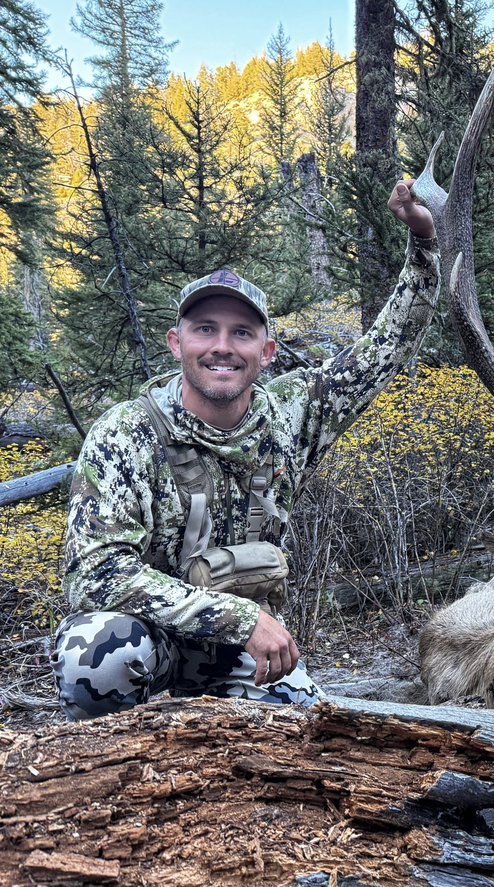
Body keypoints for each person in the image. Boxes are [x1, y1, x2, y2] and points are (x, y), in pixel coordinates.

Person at [51, 183, 439, 720]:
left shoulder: (295, 414)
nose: (222, 347)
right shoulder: (126, 434)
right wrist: (239, 618)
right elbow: (95, 575)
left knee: (307, 731)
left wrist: (423, 243)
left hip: (241, 656)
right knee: (94, 655)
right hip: (156, 640)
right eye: (205, 329)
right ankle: (110, 758)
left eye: (241, 333)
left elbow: (388, 348)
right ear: (176, 343)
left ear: (267, 351)